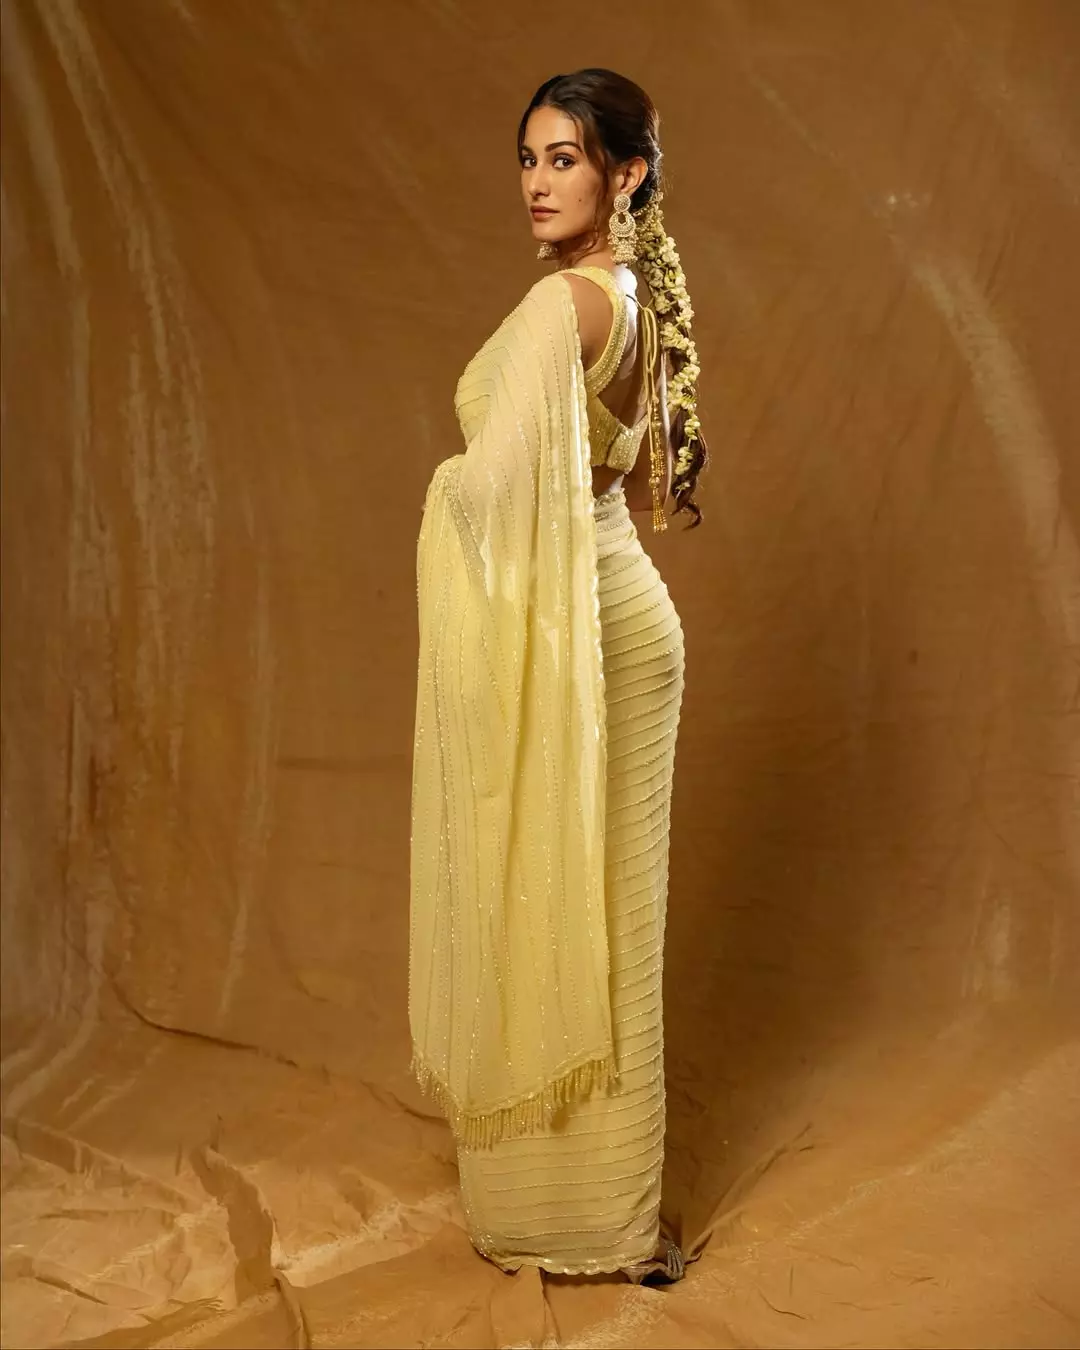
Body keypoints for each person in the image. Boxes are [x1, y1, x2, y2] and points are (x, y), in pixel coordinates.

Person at [409, 68, 707, 1284]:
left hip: (589, 636)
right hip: (629, 621)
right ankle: (616, 1221)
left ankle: (577, 1221)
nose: (537, 183)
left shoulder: (558, 309)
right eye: (529, 159)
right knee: (612, 922)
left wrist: (443, 487)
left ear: (624, 174)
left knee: (566, 911)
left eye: (565, 160)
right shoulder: (636, 294)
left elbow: (487, 494)